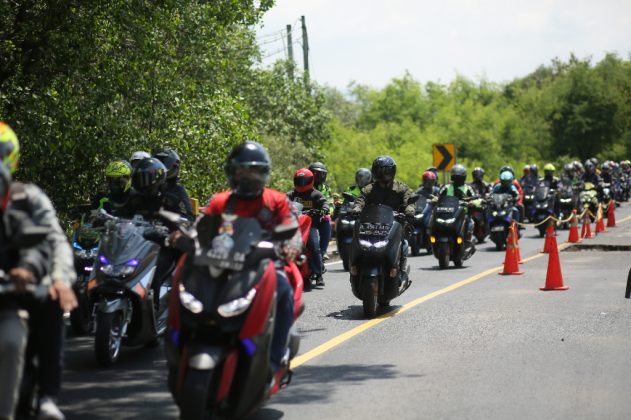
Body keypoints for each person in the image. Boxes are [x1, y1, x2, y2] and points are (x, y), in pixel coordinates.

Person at [203, 141, 300, 377]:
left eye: (254, 171)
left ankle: (274, 361)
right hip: (221, 264)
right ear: (232, 172)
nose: (248, 177)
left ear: (264, 172)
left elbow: (292, 229)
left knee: (284, 291)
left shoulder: (277, 200)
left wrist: (290, 247)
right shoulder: (220, 201)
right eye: (242, 171)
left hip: (264, 264)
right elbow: (201, 226)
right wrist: (183, 236)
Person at [0, 122, 77, 420]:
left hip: (18, 288)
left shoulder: (27, 198)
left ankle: (47, 397)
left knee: (52, 299)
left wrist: (60, 279)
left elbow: (53, 241)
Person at [352, 156, 415, 280]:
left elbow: (410, 200)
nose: (383, 173)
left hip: (394, 224)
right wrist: (356, 209)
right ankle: (355, 268)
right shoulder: (369, 189)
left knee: (404, 243)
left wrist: (409, 210)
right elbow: (360, 200)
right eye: (380, 170)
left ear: (392, 171)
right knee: (356, 239)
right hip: (372, 225)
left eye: (386, 170)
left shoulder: (401, 188)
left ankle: (401, 269)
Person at [287, 168, 329, 288]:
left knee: (314, 246)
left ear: (311, 180)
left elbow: (324, 202)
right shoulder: (291, 194)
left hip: (310, 225)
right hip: (293, 225)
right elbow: (282, 201)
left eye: (304, 181)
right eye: (299, 181)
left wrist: (324, 209)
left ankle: (319, 274)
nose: (302, 183)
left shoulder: (315, 194)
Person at [438, 164, 476, 256]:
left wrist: (472, 202)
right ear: (452, 177)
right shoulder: (446, 187)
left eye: (459, 177)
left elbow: (474, 197)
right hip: (447, 212)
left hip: (463, 213)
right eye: (455, 177)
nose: (457, 179)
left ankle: (468, 242)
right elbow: (439, 196)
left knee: (470, 222)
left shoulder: (468, 188)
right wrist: (436, 200)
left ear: (463, 177)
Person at [153, 148, 194, 219]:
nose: (161, 168)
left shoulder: (178, 191)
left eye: (164, 163)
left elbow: (188, 217)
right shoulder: (150, 188)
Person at [308, 162, 333, 261]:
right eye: (316, 173)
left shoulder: (326, 189)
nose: (320, 176)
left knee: (327, 223)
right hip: (306, 215)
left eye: (322, 174)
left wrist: (326, 211)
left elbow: (330, 203)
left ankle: (323, 252)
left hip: (321, 215)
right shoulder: (305, 184)